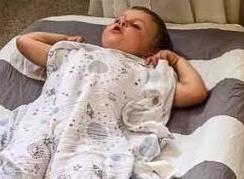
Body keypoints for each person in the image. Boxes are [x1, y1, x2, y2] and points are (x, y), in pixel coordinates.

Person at [15, 7, 208, 108]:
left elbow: (195, 92)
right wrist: (64, 39)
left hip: (91, 139)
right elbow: (25, 41)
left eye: (135, 25)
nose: (122, 22)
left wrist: (176, 60)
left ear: (149, 52)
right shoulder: (78, 53)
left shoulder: (143, 72)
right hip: (45, 121)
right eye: (118, 19)